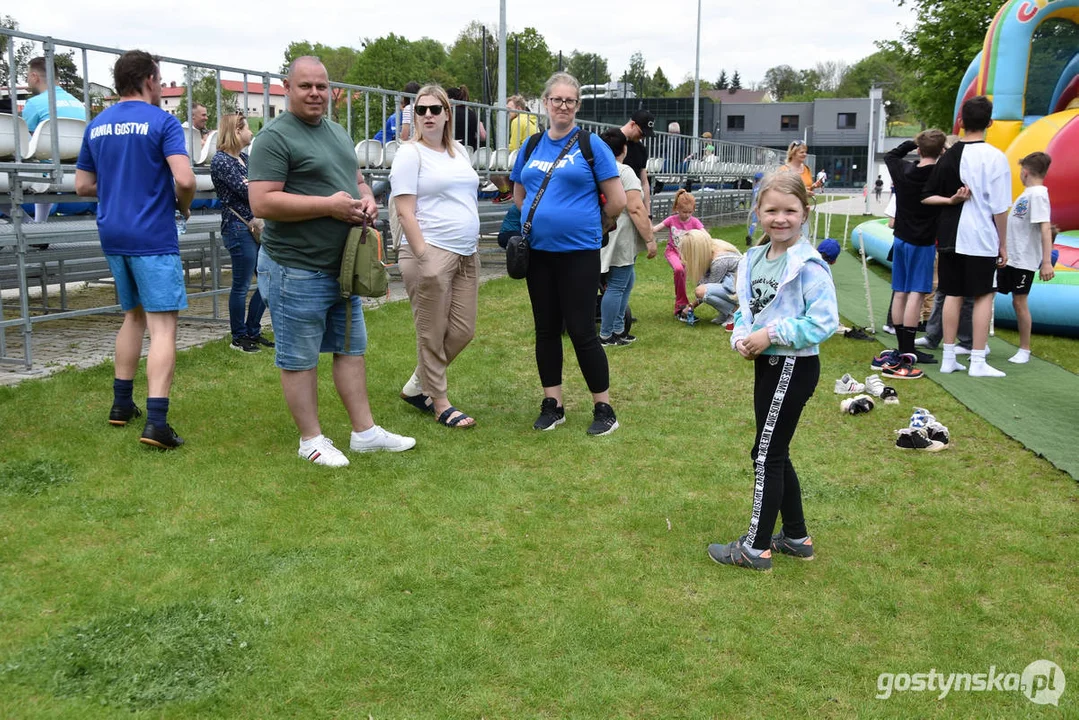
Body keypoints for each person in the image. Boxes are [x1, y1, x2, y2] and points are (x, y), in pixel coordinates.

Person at [248, 56, 416, 466]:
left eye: (322, 86)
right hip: (294, 267)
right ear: (287, 88)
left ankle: (365, 432)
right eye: (305, 86)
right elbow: (262, 201)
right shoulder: (274, 137)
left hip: (340, 267)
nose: (315, 93)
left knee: (350, 348)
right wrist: (328, 207)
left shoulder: (337, 132)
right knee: (299, 357)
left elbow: (355, 179)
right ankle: (311, 440)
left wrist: (366, 199)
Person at [708, 171, 838, 572]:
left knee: (765, 454)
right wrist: (744, 340)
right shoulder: (752, 260)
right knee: (775, 451)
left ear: (805, 213)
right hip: (768, 365)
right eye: (771, 210)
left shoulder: (809, 266)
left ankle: (756, 547)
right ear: (758, 213)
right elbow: (747, 312)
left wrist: (772, 334)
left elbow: (823, 322)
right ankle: (796, 537)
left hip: (794, 366)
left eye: (790, 211)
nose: (780, 219)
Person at [74, 50, 195, 450]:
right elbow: (185, 178)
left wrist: (119, 186)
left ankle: (121, 405)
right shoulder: (163, 122)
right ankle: (157, 423)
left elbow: (82, 187)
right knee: (163, 327)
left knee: (133, 317)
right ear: (148, 79)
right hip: (152, 235)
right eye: (159, 80)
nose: (161, 88)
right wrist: (183, 204)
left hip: (114, 233)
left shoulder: (96, 126)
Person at [509, 71, 627, 436]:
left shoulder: (592, 145)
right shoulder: (530, 147)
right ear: (545, 103)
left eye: (570, 101)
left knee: (581, 330)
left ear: (577, 105)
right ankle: (553, 404)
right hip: (539, 254)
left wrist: (592, 226)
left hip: (579, 253)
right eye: (556, 99)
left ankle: (603, 407)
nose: (563, 106)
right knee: (546, 330)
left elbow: (618, 200)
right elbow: (519, 194)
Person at [390, 85, 481, 428]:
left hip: (465, 253)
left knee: (462, 330)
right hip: (429, 252)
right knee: (432, 330)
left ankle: (417, 385)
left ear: (447, 114)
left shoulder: (459, 151)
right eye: (421, 110)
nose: (428, 115)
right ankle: (439, 401)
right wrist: (423, 255)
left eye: (434, 109)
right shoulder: (410, 154)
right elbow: (404, 211)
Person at [923, 95, 1012, 378]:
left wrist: (951, 201)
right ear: (990, 123)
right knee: (984, 294)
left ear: (961, 121)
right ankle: (976, 360)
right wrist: (1004, 244)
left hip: (950, 236)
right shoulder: (995, 157)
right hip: (981, 237)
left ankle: (949, 357)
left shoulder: (949, 156)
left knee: (952, 293)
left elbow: (926, 196)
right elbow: (1000, 209)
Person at [881, 130, 947, 370]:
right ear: (941, 151)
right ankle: (908, 350)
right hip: (924, 242)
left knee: (900, 291)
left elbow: (891, 155)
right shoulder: (940, 174)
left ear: (918, 149)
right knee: (916, 294)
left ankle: (903, 346)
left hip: (900, 238)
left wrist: (913, 142)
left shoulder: (904, 170)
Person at [210, 113, 271, 354]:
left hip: (253, 226)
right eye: (246, 128)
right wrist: (263, 189)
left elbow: (257, 186)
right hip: (238, 227)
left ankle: (252, 330)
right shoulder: (221, 161)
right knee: (242, 284)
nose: (251, 131)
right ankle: (239, 337)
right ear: (236, 131)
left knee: (267, 278)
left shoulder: (244, 158)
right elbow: (250, 191)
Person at [597, 127, 656, 346]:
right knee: (618, 285)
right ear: (623, 148)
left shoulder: (596, 168)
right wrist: (650, 240)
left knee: (626, 280)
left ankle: (619, 329)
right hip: (618, 236)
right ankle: (607, 334)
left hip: (603, 234)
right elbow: (636, 208)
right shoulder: (624, 171)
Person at [1000, 151, 1054, 364]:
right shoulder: (1028, 194)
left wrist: (1047, 261)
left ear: (1025, 172)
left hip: (1023, 259)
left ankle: (1025, 348)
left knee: (1020, 302)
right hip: (1011, 257)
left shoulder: (1038, 195)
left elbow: (1045, 227)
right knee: (999, 297)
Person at [23, 56, 88, 223]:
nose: (26, 78)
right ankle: (38, 226)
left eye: (27, 74)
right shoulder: (78, 103)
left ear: (35, 76)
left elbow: (24, 144)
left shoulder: (34, 103)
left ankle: (29, 225)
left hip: (46, 173)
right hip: (76, 172)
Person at [653, 189, 705, 320]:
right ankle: (681, 304)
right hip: (672, 252)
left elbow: (705, 234)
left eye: (690, 212)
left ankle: (683, 307)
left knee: (686, 275)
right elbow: (655, 229)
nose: (687, 215)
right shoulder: (671, 220)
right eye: (684, 212)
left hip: (686, 255)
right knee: (678, 269)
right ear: (677, 208)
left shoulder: (694, 222)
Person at [679, 229, 741, 326]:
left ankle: (735, 312)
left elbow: (707, 288)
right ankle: (725, 313)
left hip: (740, 288)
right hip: (733, 284)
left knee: (701, 291)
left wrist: (691, 306)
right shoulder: (714, 246)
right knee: (703, 289)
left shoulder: (719, 261)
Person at [620, 109, 654, 216]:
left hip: (635, 202)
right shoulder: (610, 140)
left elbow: (644, 182)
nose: (642, 137)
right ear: (632, 124)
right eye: (641, 133)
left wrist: (648, 212)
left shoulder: (641, 149)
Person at [447, 85, 485, 150]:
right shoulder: (472, 113)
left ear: (451, 99)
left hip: (452, 150)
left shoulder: (447, 113)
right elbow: (483, 136)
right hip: (470, 151)